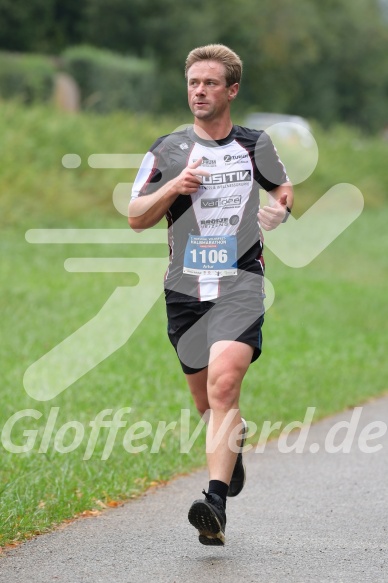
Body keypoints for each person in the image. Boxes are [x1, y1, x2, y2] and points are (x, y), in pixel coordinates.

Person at [129, 44, 293, 546]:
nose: (199, 91)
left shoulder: (254, 144)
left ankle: (214, 503)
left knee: (225, 387)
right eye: (193, 83)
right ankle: (232, 451)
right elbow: (136, 216)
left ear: (232, 90)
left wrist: (279, 211)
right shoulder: (168, 150)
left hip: (241, 283)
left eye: (210, 83)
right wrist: (174, 186)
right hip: (185, 291)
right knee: (205, 401)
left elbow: (282, 190)